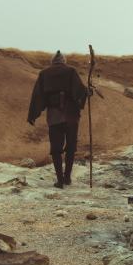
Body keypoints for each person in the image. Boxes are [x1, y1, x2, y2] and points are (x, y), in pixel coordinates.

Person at [27, 50, 88, 188]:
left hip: (54, 116)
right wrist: (87, 92)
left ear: (52, 62)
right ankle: (67, 178)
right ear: (64, 61)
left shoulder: (44, 74)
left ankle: (60, 180)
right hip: (71, 116)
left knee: (56, 149)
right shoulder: (71, 71)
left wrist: (32, 115)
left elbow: (37, 96)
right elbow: (80, 91)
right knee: (71, 147)